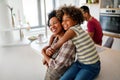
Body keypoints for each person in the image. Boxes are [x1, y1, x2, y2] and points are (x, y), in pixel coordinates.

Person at [47, 5, 101, 80]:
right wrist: (50, 42)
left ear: (75, 20)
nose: (63, 23)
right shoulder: (76, 28)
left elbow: (61, 41)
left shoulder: (72, 30)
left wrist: (51, 49)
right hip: (79, 62)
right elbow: (54, 35)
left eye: (67, 20)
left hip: (91, 65)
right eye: (62, 20)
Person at [41, 10, 76, 80]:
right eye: (50, 25)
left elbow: (55, 67)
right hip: (50, 75)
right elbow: (43, 61)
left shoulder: (69, 43)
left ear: (62, 23)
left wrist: (43, 52)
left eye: (55, 23)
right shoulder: (56, 39)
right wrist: (49, 47)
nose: (52, 27)